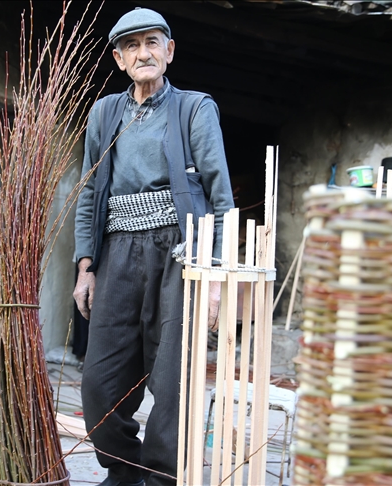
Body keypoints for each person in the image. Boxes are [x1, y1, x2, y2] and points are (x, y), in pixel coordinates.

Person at [73, 7, 234, 486]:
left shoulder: (194, 108)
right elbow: (88, 195)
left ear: (169, 51)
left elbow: (220, 197)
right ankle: (124, 473)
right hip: (118, 252)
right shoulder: (104, 113)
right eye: (131, 46)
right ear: (120, 59)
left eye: (152, 42)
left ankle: (162, 479)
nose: (143, 53)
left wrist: (214, 277)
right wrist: (86, 267)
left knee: (173, 382)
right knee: (98, 383)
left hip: (178, 254)